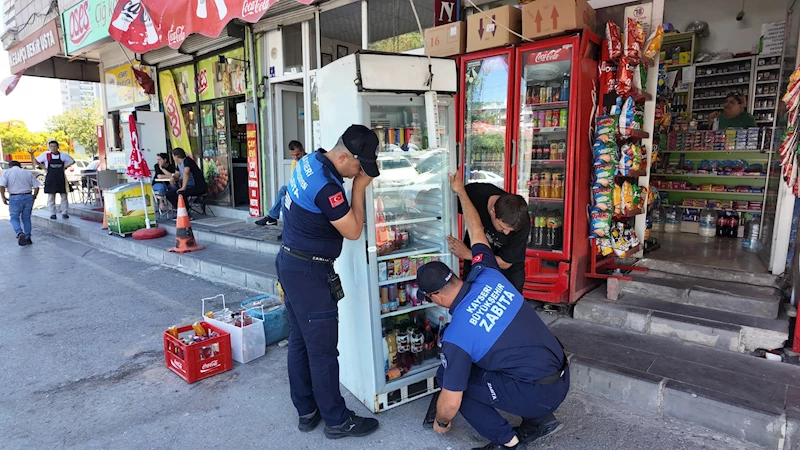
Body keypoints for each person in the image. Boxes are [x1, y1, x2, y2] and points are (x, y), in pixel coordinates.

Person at [420, 173, 569, 450]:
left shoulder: (458, 335)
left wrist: (442, 422)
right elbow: (477, 232)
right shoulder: (488, 273)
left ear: (437, 297)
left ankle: (508, 443)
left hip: (541, 392)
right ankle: (540, 420)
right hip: (560, 372)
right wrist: (461, 193)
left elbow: (451, 401)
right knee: (504, 351)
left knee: (453, 380)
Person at [276, 125, 380, 440]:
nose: (359, 172)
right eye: (359, 166)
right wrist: (359, 189)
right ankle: (336, 420)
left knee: (299, 341)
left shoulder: (310, 161)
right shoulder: (325, 186)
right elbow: (352, 230)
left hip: (291, 264)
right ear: (344, 155)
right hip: (310, 275)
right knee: (322, 351)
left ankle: (307, 412)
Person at [446, 183, 530, 293]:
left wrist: (467, 254)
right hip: (475, 266)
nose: (506, 233)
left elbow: (505, 263)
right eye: (502, 227)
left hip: (506, 274)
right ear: (492, 211)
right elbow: (446, 205)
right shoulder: (477, 193)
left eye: (510, 230)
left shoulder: (521, 221)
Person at [256, 140, 306, 226]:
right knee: (283, 189)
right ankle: (272, 217)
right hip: (296, 188)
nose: (295, 157)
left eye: (297, 154)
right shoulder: (294, 162)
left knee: (284, 199)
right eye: (293, 155)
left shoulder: (307, 161)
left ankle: (286, 227)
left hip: (304, 190)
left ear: (302, 151)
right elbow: (293, 180)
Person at [0, 161, 41, 246]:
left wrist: (3, 197)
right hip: (28, 196)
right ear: (20, 165)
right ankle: (28, 237)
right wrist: (34, 196)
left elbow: (2, 186)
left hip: (14, 197)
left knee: (14, 218)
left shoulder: (6, 172)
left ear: (9, 166)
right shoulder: (27, 173)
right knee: (26, 218)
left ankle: (19, 233)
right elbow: (37, 186)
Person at [35, 139, 74, 220]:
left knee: (64, 196)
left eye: (54, 146)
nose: (52, 148)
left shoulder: (63, 155)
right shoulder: (46, 155)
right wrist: (44, 168)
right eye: (51, 146)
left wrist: (65, 167)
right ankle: (53, 213)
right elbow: (36, 161)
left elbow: (72, 161)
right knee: (51, 197)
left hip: (61, 178)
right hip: (51, 178)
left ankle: (64, 212)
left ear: (58, 147)